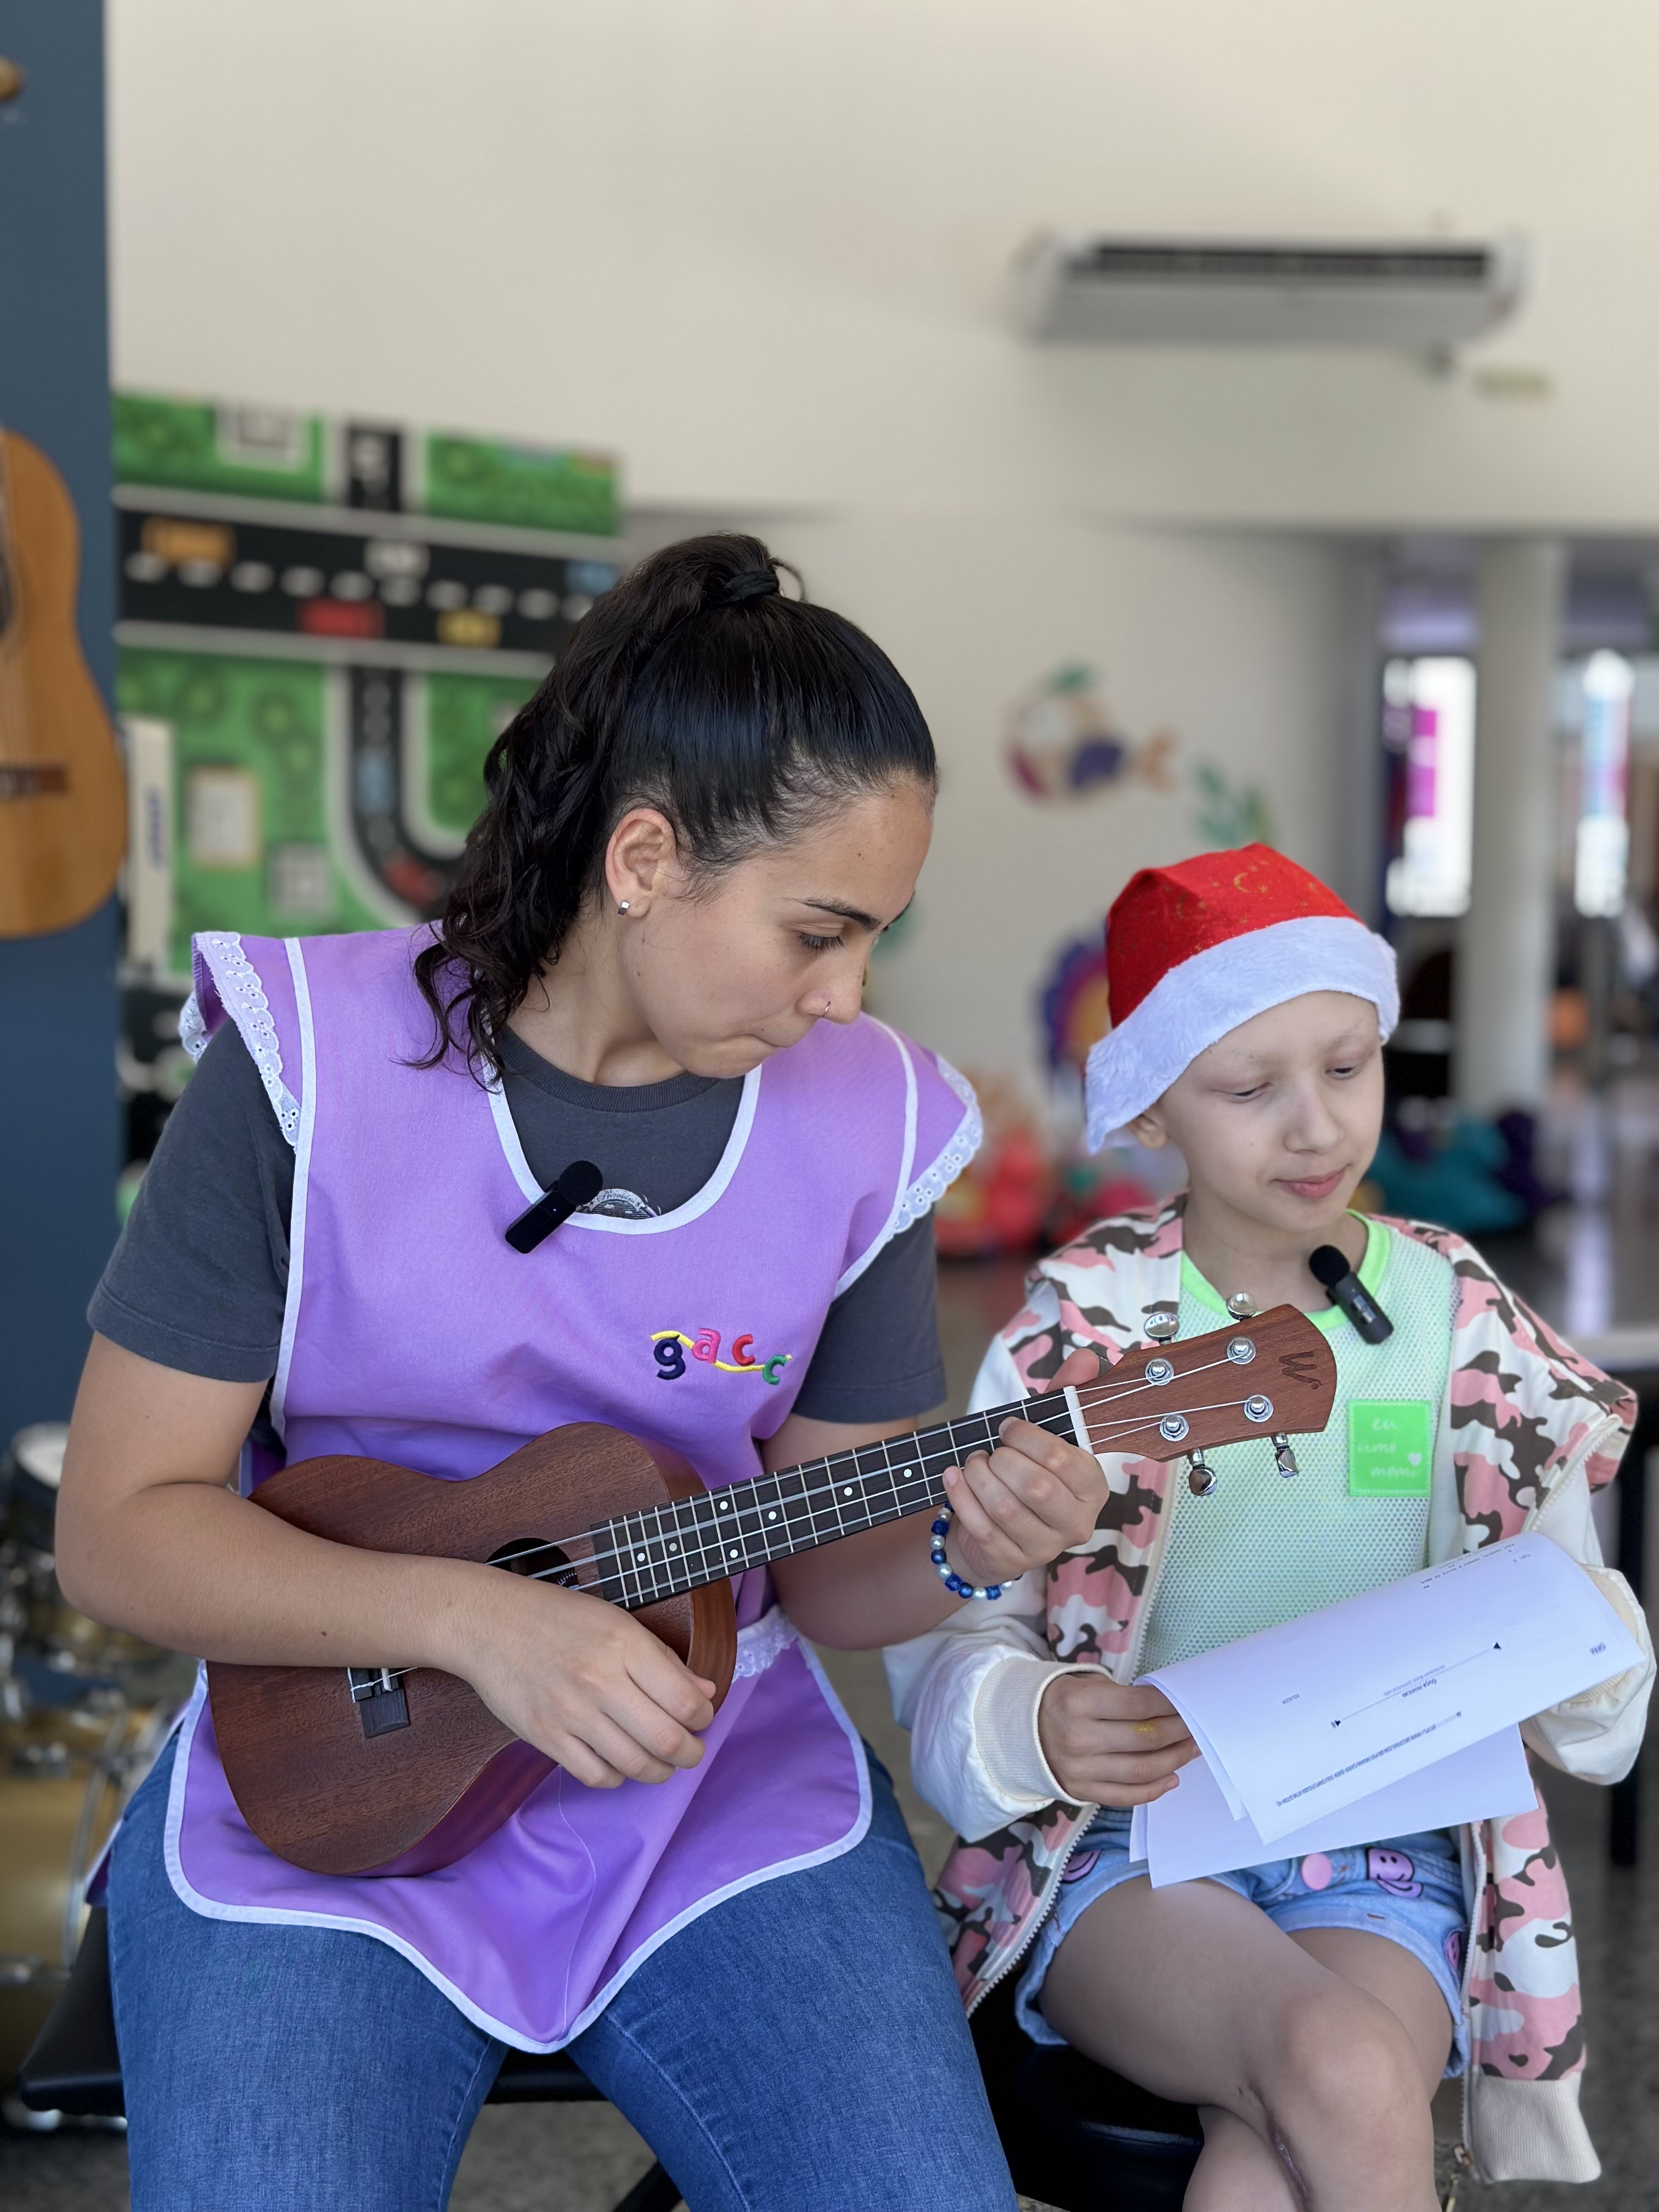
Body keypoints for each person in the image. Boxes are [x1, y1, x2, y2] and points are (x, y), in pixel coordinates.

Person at [55, 535, 1115, 2212]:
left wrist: (960, 1541)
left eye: (875, 941)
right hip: (327, 1767)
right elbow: (119, 1528)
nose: (847, 996)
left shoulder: (875, 1123)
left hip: (709, 1790)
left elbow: (827, 1578)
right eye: (817, 930)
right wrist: (478, 1624)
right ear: (644, 858)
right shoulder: (306, 1063)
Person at [887, 845, 1655, 2207]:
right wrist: (1035, 1719)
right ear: (1156, 1106)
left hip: (1392, 1859)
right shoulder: (1083, 1327)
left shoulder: (1466, 1325)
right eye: (1250, 1088)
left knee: (1266, 2165)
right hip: (1123, 1858)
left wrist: (1588, 1650)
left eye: (1349, 1066)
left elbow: (1590, 1682)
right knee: (1349, 2079)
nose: (1315, 1128)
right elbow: (957, 1639)